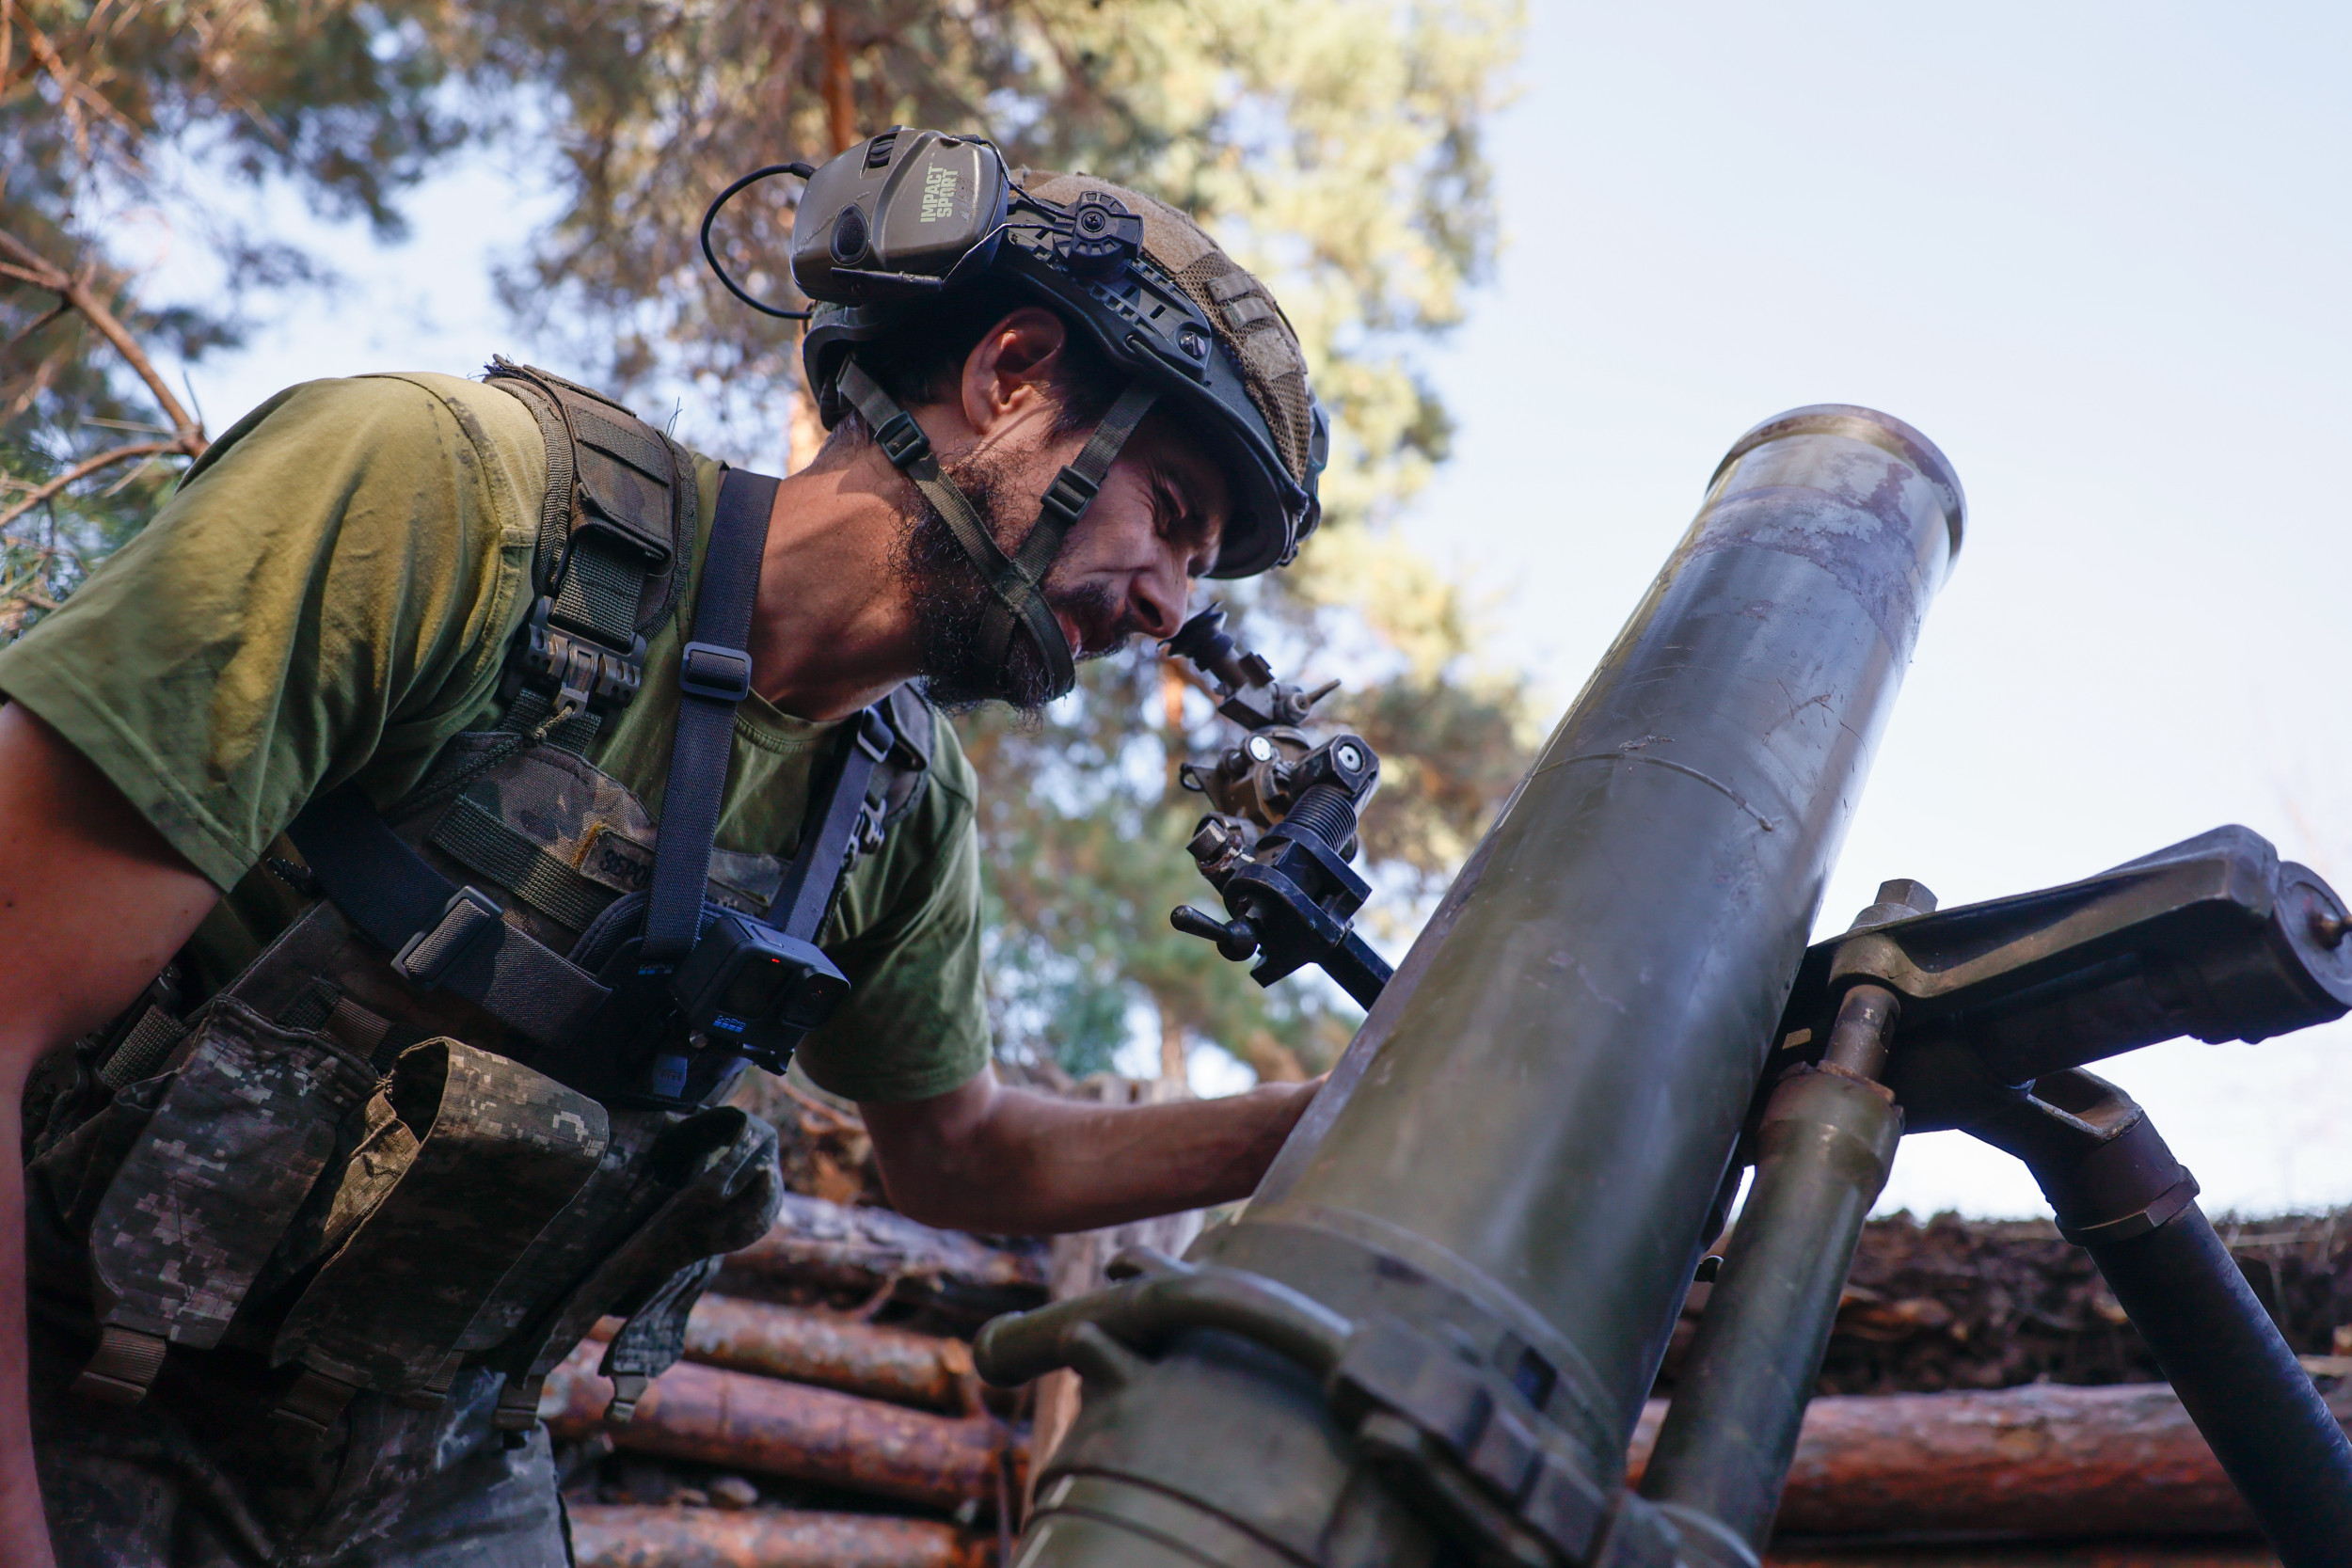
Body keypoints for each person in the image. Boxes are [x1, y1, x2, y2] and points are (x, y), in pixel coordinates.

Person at [0, 132, 1331, 1567]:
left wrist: (1334, 1111)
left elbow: (961, 1157)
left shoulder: (898, 803)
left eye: (1197, 572)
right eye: (1170, 519)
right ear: (1010, 374)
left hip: (428, 1464)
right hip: (74, 1370)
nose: (1167, 610)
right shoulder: (452, 501)